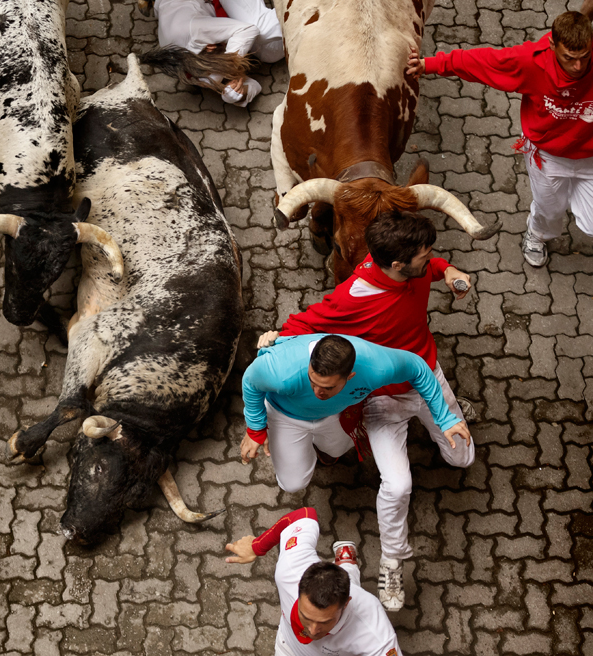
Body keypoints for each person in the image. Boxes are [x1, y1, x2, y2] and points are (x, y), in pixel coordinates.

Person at [253, 211, 475, 612]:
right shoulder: (353, 295)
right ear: (395, 264)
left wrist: (448, 271)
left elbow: (433, 268)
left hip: (427, 379)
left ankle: (449, 414)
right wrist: (276, 339)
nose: (430, 259)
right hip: (382, 400)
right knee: (398, 485)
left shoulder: (413, 268)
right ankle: (393, 559)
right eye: (426, 257)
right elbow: (304, 322)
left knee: (462, 458)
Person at [407, 7, 593, 267]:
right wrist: (429, 65)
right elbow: (482, 61)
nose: (578, 66)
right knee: (550, 210)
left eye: (584, 57)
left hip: (589, 156)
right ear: (552, 45)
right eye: (569, 58)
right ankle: (537, 236)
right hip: (548, 155)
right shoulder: (529, 61)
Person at [225, 507, 402, 656]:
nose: (312, 630)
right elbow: (303, 515)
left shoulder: (373, 628)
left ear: (347, 603)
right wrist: (257, 546)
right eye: (306, 617)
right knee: (349, 583)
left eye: (325, 622)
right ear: (298, 590)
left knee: (353, 587)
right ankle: (346, 560)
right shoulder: (289, 571)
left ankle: (346, 562)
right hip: (288, 648)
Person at [151, 0, 284, 106]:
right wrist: (238, 93)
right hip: (209, 12)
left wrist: (228, 66)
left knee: (263, 30)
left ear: (208, 47)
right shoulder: (198, 73)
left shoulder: (191, 31)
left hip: (203, 9)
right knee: (270, 54)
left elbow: (248, 30)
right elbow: (252, 85)